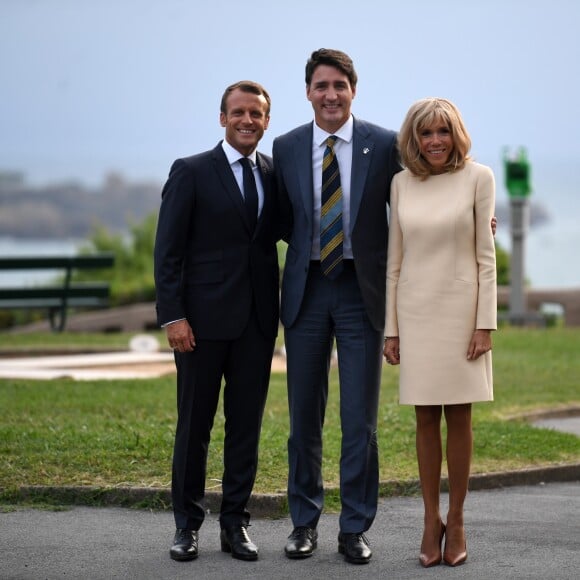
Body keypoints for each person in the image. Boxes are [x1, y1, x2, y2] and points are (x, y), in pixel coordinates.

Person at [272, 49, 401, 565]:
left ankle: (354, 528)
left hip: (359, 293)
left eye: (339, 85)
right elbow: (276, 218)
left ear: (353, 90)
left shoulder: (384, 144)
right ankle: (303, 523)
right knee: (304, 415)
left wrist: (475, 218)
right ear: (308, 92)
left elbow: (419, 196)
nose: (330, 95)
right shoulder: (285, 147)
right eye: (321, 85)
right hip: (305, 290)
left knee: (359, 421)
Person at [153, 80, 279, 562]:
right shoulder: (191, 171)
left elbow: (294, 226)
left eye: (257, 114)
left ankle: (235, 524)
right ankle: (187, 525)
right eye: (239, 113)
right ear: (223, 118)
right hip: (199, 326)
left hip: (257, 322)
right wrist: (174, 318)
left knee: (245, 427)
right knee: (195, 426)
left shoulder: (273, 172)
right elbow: (167, 252)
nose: (248, 121)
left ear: (267, 121)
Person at [383, 97, 497, 568]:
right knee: (425, 418)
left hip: (462, 310)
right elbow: (394, 263)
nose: (434, 141)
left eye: (443, 132)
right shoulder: (400, 184)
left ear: (456, 135)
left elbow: (486, 257)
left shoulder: (479, 177)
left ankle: (458, 517)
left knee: (461, 418)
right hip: (415, 311)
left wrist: (484, 324)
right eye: (426, 133)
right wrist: (392, 330)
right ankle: (431, 520)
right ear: (414, 138)